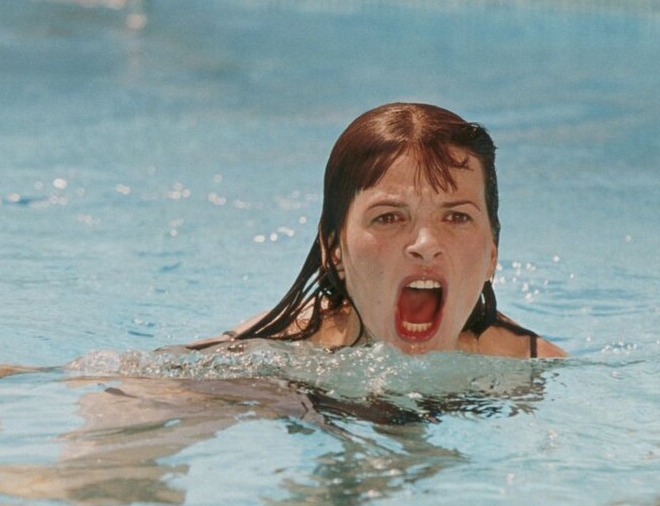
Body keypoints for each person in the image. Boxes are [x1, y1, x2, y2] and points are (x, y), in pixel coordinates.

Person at [188, 102, 565, 359]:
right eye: (389, 217)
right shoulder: (276, 353)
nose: (426, 244)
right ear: (334, 251)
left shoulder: (532, 369)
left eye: (456, 217)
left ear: (492, 256)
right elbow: (146, 398)